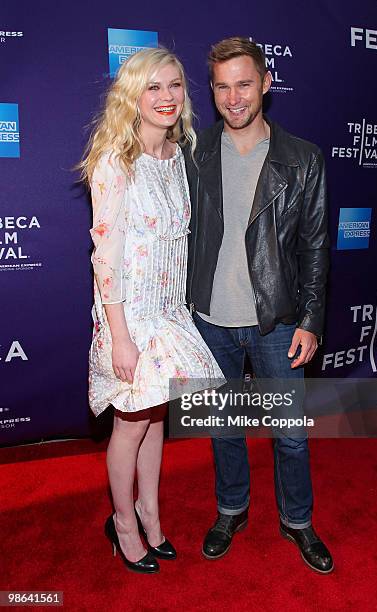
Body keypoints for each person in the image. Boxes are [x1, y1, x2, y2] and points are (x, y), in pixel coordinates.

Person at [183, 37, 333, 573]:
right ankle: (232, 510)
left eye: (244, 83)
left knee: (289, 435)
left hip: (277, 320)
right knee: (223, 427)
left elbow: (315, 246)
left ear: (267, 82)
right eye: (222, 86)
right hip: (209, 321)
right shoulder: (193, 152)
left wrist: (311, 321)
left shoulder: (303, 158)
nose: (234, 97)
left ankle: (297, 520)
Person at [80, 47, 223, 574]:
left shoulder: (177, 158)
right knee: (129, 424)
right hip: (130, 316)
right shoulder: (115, 161)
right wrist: (119, 336)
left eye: (175, 86)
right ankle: (121, 523)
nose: (165, 98)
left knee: (155, 419)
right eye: (152, 88)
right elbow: (107, 257)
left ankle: (150, 513)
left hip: (168, 310)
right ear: (131, 97)